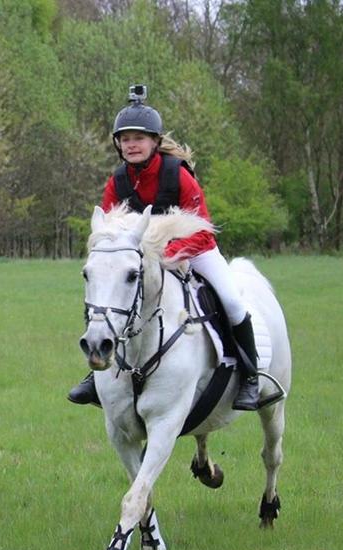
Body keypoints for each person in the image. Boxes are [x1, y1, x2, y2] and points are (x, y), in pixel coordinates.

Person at [68, 85, 263, 411]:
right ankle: (97, 367)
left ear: (155, 142)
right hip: (142, 260)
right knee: (103, 295)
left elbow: (203, 231)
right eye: (125, 139)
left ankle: (251, 377)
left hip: (192, 252)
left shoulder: (178, 176)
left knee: (231, 300)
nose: (131, 144)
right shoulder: (117, 181)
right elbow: (107, 233)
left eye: (138, 138)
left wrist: (169, 253)